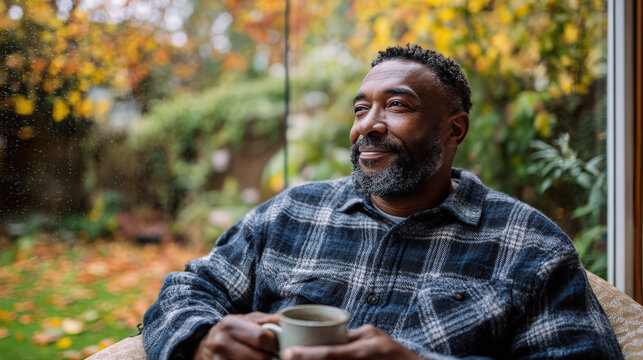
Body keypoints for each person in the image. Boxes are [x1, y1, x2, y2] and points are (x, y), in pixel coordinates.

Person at [142, 44, 622, 360]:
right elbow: (184, 292)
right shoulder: (291, 213)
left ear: (454, 129)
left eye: (397, 105)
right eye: (360, 108)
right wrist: (201, 338)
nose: (367, 125)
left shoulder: (529, 245)